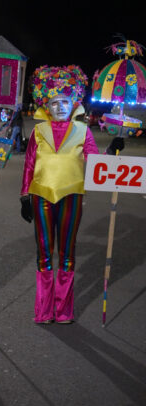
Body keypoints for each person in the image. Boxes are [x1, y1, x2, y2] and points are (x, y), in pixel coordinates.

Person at [20, 64, 124, 324]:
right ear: (46, 105)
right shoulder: (38, 132)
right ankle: (44, 309)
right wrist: (24, 195)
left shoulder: (83, 131)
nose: (59, 107)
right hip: (41, 196)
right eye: (54, 103)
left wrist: (112, 150)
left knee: (67, 251)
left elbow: (96, 162)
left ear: (73, 102)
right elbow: (30, 164)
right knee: (44, 251)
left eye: (65, 101)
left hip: (72, 196)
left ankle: (64, 309)